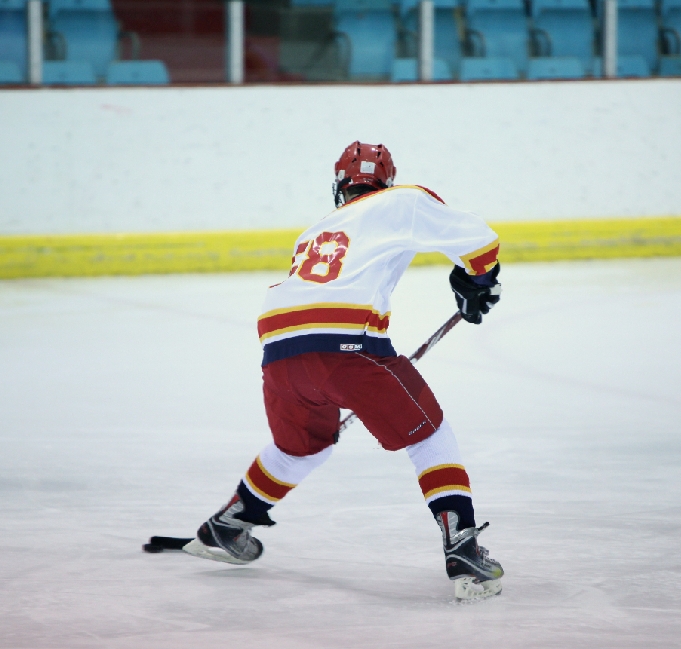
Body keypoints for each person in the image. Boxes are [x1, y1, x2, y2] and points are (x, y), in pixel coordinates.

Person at [183, 141, 506, 598]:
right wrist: (477, 281)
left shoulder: (313, 232)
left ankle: (227, 526)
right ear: (386, 182)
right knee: (429, 435)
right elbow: (480, 241)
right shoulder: (402, 200)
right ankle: (463, 550)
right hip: (347, 347)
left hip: (279, 351)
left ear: (340, 186)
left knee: (300, 448)